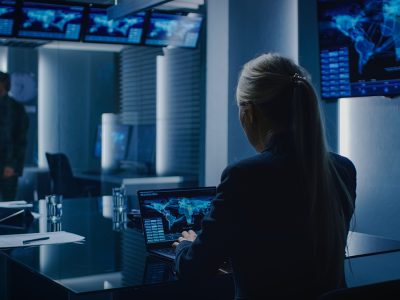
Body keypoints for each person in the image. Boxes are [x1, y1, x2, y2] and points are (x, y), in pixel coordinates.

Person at [173, 53, 357, 299]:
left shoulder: (244, 176)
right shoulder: (343, 169)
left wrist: (186, 246)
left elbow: (193, 269)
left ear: (249, 113)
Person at [0, 71, 29, 201]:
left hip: (8, 167)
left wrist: (12, 165)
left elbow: (20, 140)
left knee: (7, 208)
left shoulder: (16, 108)